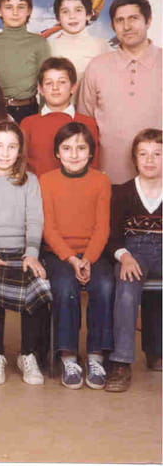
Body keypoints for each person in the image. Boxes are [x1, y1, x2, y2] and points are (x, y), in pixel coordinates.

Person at [0, 122, 50, 386]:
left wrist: (32, 253)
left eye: (12, 147)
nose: (5, 153)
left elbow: (35, 219)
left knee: (37, 283)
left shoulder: (30, 181)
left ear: (20, 151)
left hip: (23, 251)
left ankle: (27, 354)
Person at [40, 122, 113, 389]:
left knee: (104, 285)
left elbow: (102, 227)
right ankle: (68, 355)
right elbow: (48, 228)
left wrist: (88, 259)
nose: (74, 154)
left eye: (81, 148)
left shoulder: (101, 181)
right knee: (64, 286)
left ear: (91, 152)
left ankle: (96, 355)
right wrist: (72, 259)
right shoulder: (46, 181)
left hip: (94, 253)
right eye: (67, 148)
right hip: (59, 254)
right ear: (57, 152)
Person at [78, 0, 162, 185]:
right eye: (120, 20)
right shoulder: (97, 67)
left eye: (134, 18)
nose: (127, 26)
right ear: (112, 26)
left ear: (148, 21)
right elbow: (85, 124)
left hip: (159, 182)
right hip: (109, 178)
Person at [105, 129, 162, 392]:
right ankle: (121, 362)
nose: (150, 160)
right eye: (143, 154)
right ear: (134, 159)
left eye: (157, 154)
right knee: (127, 290)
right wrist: (124, 257)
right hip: (133, 252)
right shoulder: (123, 193)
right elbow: (113, 237)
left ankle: (157, 351)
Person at [0, 0, 49, 123]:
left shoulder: (39, 43)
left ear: (29, 10)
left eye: (21, 7)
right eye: (8, 7)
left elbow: (45, 82)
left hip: (30, 110)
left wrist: (44, 117)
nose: (15, 13)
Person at [21, 57, 99, 176]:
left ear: (73, 87)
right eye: (49, 83)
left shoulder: (88, 123)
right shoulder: (28, 124)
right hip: (37, 187)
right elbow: (22, 166)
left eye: (62, 82)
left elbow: (94, 167)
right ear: (40, 89)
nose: (55, 87)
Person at [47, 0, 107, 80]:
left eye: (78, 10)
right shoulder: (49, 46)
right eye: (65, 11)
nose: (72, 16)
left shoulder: (101, 45)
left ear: (88, 15)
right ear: (58, 18)